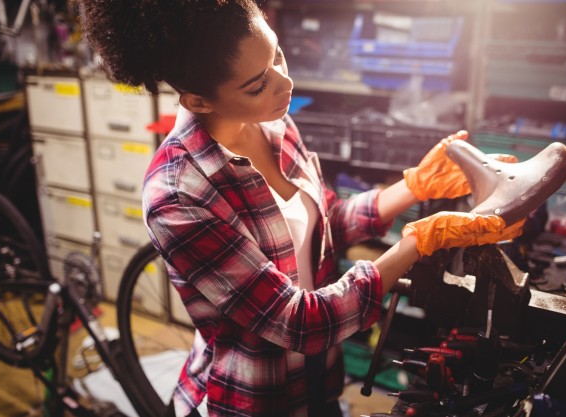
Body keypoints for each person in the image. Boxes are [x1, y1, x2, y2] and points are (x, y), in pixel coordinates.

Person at [79, 1, 523, 416]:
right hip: (258, 399)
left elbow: (324, 226)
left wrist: (413, 187)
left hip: (321, 384)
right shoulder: (178, 196)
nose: (284, 83)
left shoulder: (273, 122)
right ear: (198, 101)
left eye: (277, 56)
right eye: (257, 85)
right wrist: (418, 240)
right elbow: (301, 322)